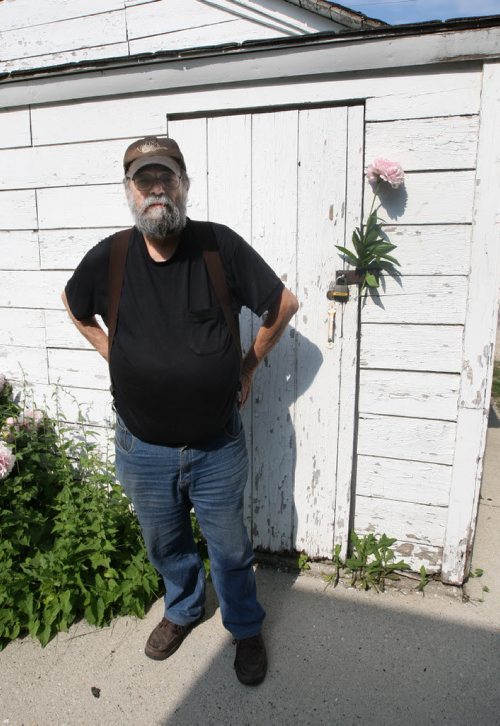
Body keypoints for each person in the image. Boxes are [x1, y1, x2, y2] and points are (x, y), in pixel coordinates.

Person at [62, 136, 298, 686]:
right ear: (130, 192)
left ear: (184, 185)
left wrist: (247, 366)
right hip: (142, 448)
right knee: (163, 541)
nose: (156, 190)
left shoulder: (218, 248)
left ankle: (243, 626)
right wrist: (112, 351)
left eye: (166, 178)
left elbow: (281, 302)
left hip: (216, 445)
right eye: (144, 181)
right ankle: (183, 608)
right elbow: (74, 306)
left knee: (231, 546)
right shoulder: (112, 257)